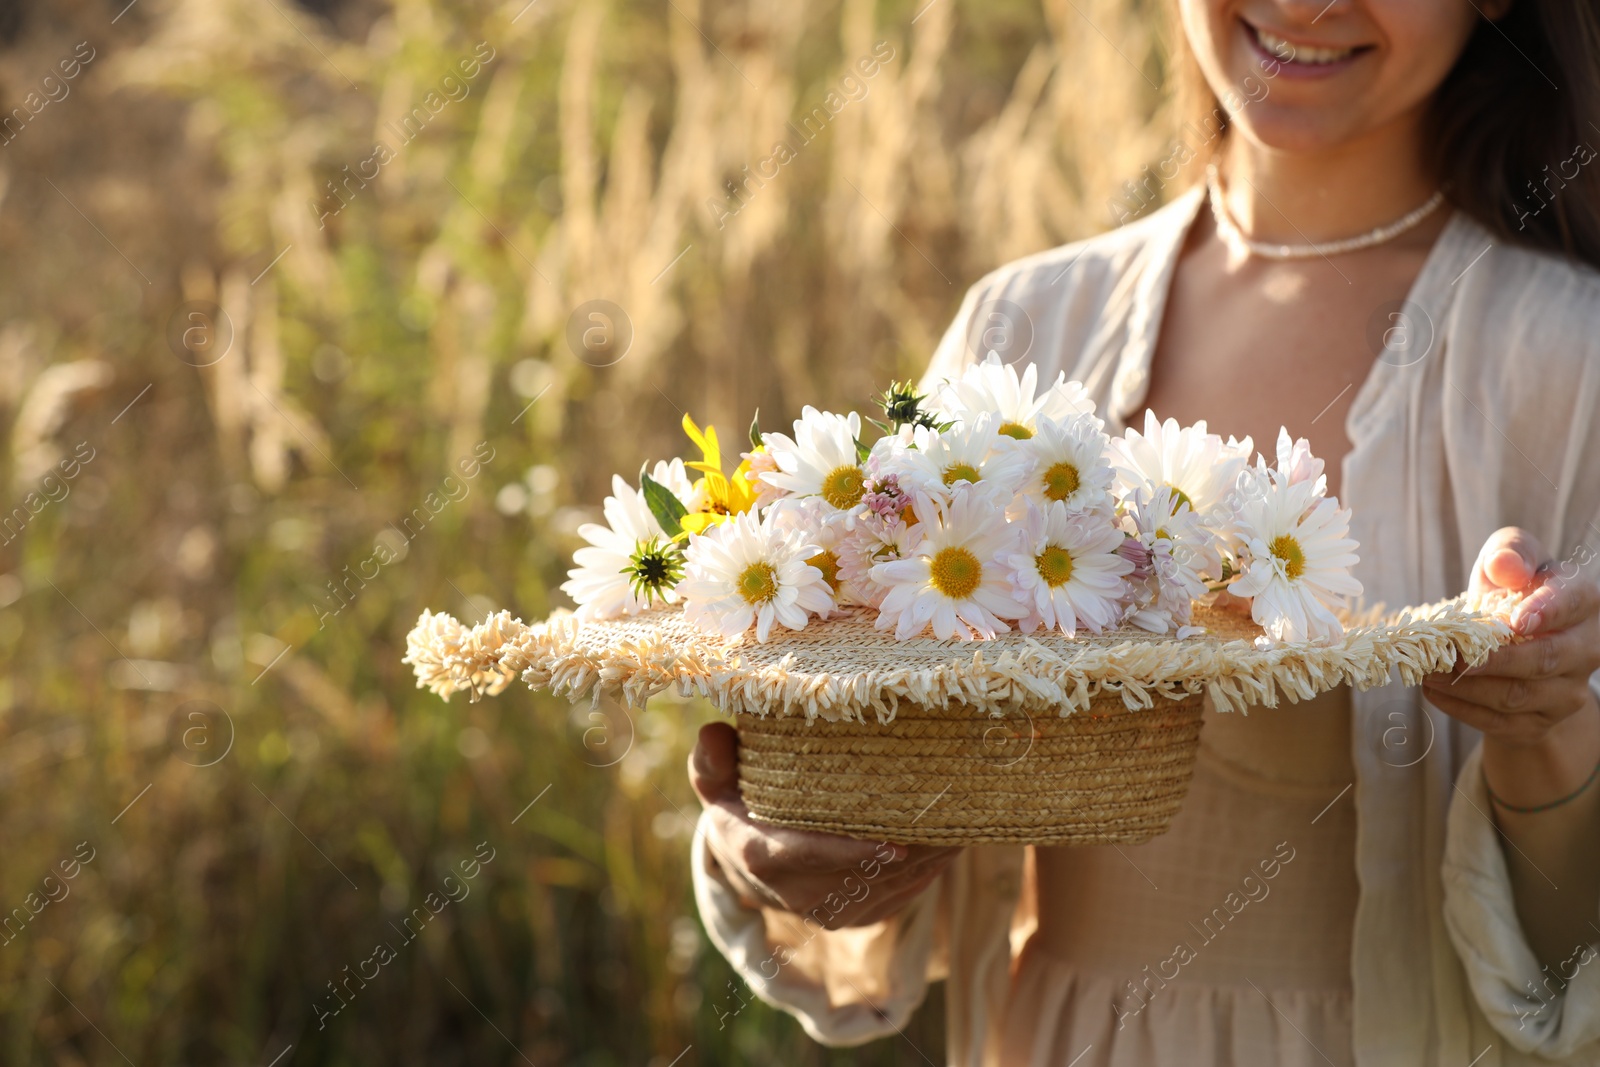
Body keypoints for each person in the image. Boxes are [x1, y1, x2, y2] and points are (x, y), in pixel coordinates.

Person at [687, 0, 1600, 1063]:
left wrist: (1547, 729)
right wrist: (790, 838)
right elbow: (887, 838)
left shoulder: (1567, 365)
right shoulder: (1023, 325)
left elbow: (1573, 964)